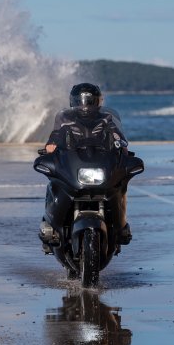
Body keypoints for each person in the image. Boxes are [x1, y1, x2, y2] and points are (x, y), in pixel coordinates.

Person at [39, 82, 131, 254]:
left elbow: (116, 134)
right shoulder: (65, 118)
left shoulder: (106, 118)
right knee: (54, 181)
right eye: (83, 100)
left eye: (90, 100)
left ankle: (121, 227)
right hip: (74, 165)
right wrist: (51, 145)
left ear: (97, 101)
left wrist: (122, 147)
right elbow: (57, 134)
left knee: (120, 186)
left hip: (99, 163)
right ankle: (51, 225)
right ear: (74, 101)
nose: (86, 104)